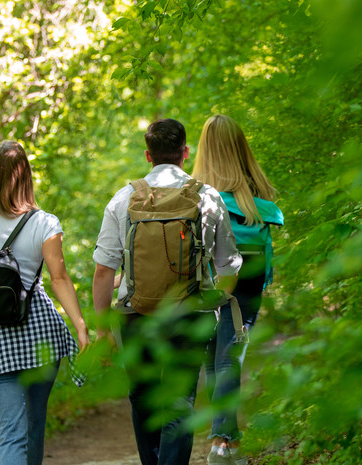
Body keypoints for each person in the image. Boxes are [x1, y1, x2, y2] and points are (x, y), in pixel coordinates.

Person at [92, 118, 242, 465]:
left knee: (142, 396)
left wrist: (102, 330)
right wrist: (215, 308)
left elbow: (104, 270)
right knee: (179, 400)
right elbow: (229, 266)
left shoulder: (124, 198)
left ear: (148, 155)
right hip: (189, 314)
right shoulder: (206, 196)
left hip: (134, 315)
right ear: (185, 153)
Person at [0, 140, 90, 465]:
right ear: (26, 176)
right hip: (39, 333)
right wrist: (81, 327)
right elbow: (59, 278)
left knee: (11, 435)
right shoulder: (44, 222)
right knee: (33, 428)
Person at [191, 115, 284, 465]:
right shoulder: (256, 191)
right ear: (240, 147)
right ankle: (224, 442)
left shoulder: (196, 192)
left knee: (215, 362)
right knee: (229, 359)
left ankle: (222, 440)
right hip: (248, 280)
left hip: (208, 278)